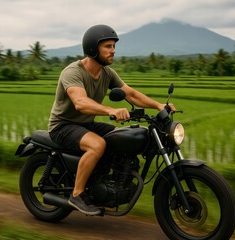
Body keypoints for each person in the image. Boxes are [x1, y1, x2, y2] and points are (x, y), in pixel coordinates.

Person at [48, 24, 175, 215]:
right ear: (93, 48)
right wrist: (110, 110)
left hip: (86, 123)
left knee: (120, 137)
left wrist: (158, 106)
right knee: (97, 144)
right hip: (63, 125)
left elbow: (130, 94)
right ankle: (77, 194)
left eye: (114, 46)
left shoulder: (107, 73)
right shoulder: (73, 72)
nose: (113, 51)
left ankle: (105, 183)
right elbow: (80, 103)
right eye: (108, 46)